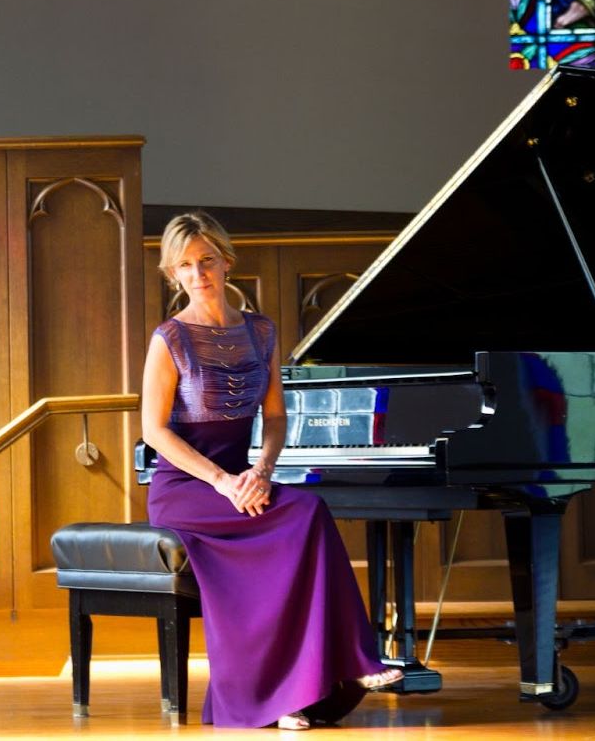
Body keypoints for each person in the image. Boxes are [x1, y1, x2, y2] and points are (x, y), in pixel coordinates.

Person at [142, 212, 401, 730]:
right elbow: (154, 431)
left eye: (207, 261)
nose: (199, 274)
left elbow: (276, 416)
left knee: (306, 509)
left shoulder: (261, 330)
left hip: (243, 480)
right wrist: (221, 481)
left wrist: (261, 468)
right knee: (297, 514)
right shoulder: (168, 339)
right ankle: (285, 694)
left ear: (227, 261)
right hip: (186, 488)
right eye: (186, 267)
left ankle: (334, 672)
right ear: (174, 276)